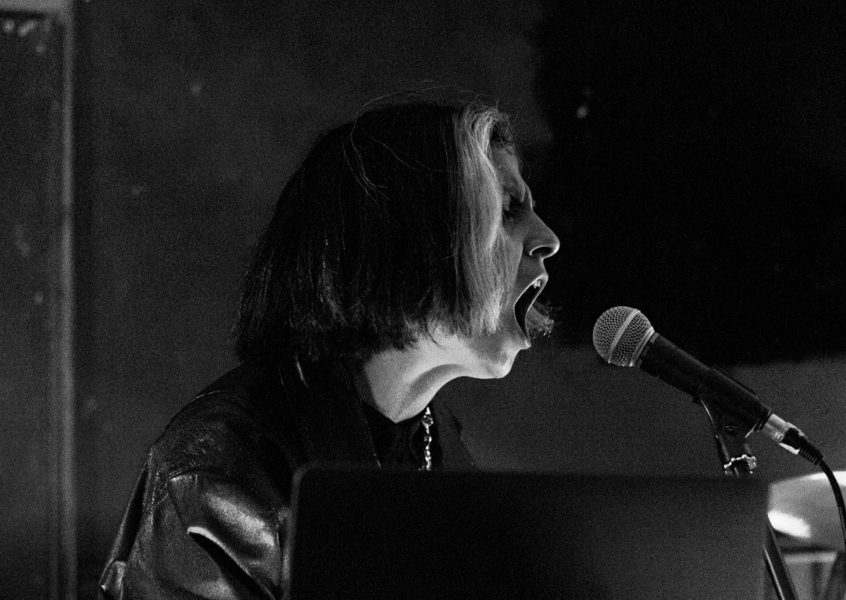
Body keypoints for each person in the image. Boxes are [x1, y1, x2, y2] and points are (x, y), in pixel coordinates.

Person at [98, 98, 560, 599]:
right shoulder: (220, 469)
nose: (548, 239)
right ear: (411, 235)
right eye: (507, 209)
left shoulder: (436, 439)